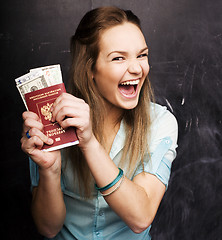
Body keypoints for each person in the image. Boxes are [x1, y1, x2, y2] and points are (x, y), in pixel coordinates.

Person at [21, 6, 178, 240]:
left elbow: (141, 217)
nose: (136, 68)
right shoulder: (52, 119)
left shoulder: (161, 123)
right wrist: (49, 170)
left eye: (142, 55)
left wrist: (89, 142)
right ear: (90, 68)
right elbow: (48, 228)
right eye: (118, 58)